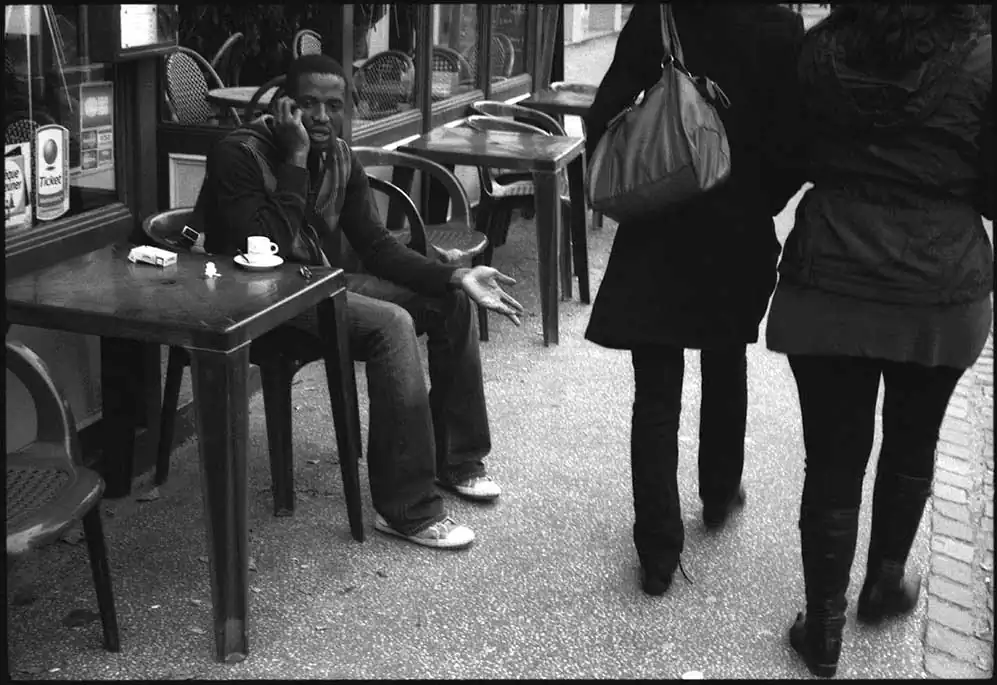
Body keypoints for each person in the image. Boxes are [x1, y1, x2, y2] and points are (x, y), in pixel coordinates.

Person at [191, 54, 524, 550]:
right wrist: (296, 158)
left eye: (333, 105)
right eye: (307, 104)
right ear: (283, 105)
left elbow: (377, 247)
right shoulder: (237, 153)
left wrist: (455, 276)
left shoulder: (341, 159)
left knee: (449, 301)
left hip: (316, 285)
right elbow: (267, 247)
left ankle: (456, 460)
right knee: (391, 324)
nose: (320, 117)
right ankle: (407, 508)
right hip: (255, 302)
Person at [766, 4, 992, 678]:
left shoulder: (819, 51)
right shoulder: (984, 57)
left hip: (830, 277)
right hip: (939, 289)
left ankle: (823, 631)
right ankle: (884, 583)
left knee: (832, 458)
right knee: (914, 439)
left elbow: (781, 165)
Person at [583, 3, 806, 595]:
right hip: (737, 229)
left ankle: (658, 553)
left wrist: (647, 169)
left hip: (659, 224)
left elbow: (603, 115)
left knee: (656, 394)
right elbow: (794, 147)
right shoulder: (781, 28)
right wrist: (754, 197)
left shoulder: (658, 13)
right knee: (726, 360)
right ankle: (718, 493)